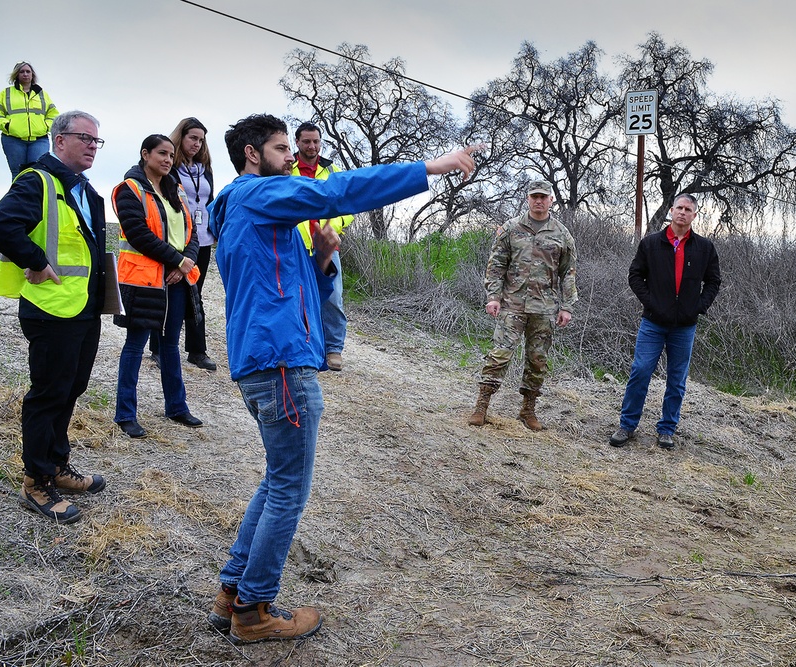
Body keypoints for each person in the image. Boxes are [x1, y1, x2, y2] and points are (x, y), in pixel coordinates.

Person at [204, 113, 476, 645]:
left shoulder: (243, 208)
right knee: (287, 489)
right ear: (253, 155)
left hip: (268, 361)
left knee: (276, 479)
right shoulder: (259, 193)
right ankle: (254, 612)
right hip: (282, 365)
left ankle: (231, 593)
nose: (293, 158)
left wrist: (324, 258)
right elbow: (340, 190)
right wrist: (432, 167)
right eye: (283, 148)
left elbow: (284, 278)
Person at [0, 110, 107, 524]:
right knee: (48, 395)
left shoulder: (86, 191)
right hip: (51, 309)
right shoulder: (37, 181)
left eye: (97, 140)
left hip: (85, 310)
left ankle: (57, 466)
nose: (92, 145)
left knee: (71, 389)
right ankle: (36, 481)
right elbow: (0, 226)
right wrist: (34, 260)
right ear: (59, 140)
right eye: (84, 138)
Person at [608, 193, 721, 450]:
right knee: (640, 372)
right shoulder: (651, 244)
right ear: (671, 211)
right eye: (679, 208)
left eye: (688, 209)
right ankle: (627, 425)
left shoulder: (704, 248)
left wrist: (698, 307)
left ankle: (667, 429)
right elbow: (635, 275)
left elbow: (714, 281)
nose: (682, 212)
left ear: (694, 215)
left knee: (677, 379)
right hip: (653, 323)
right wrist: (652, 303)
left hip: (685, 327)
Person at [466, 180, 578, 431]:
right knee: (500, 355)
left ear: (551, 200)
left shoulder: (561, 234)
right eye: (534, 196)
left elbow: (568, 273)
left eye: (543, 197)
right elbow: (496, 266)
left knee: (537, 359)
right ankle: (481, 405)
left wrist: (567, 306)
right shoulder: (511, 228)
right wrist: (493, 297)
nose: (539, 201)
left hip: (545, 308)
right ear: (527, 199)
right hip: (512, 305)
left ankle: (528, 410)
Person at [112, 134, 204, 439]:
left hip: (175, 279)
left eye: (170, 155)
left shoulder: (175, 189)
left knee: (169, 346)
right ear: (145, 154)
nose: (167, 160)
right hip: (144, 281)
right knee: (135, 346)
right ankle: (125, 414)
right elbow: (138, 234)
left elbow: (191, 233)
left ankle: (177, 407)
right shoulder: (130, 189)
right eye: (161, 154)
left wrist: (185, 262)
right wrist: (177, 261)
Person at [149, 118, 218, 371]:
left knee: (195, 293)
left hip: (202, 240)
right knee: (168, 291)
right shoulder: (170, 167)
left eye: (201, 140)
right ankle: (158, 347)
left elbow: (208, 200)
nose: (197, 144)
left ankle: (197, 351)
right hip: (177, 239)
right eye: (192, 138)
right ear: (181, 137)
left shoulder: (205, 168)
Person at [291, 122, 354, 371]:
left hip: (327, 248)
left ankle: (333, 349)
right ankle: (304, 348)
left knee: (333, 298)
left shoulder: (332, 171)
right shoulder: (287, 168)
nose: (312, 146)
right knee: (297, 298)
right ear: (297, 142)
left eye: (316, 141)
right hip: (296, 246)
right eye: (306, 141)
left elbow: (348, 206)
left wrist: (333, 228)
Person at [0, 62, 60, 180]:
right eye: (22, 72)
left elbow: (53, 113)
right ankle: (19, 198)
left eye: (28, 71)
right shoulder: (6, 93)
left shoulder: (42, 94)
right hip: (13, 139)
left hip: (39, 140)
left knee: (38, 173)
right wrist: (6, 125)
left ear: (32, 75)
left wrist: (46, 126)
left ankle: (35, 198)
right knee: (18, 174)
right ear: (16, 75)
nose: (25, 74)